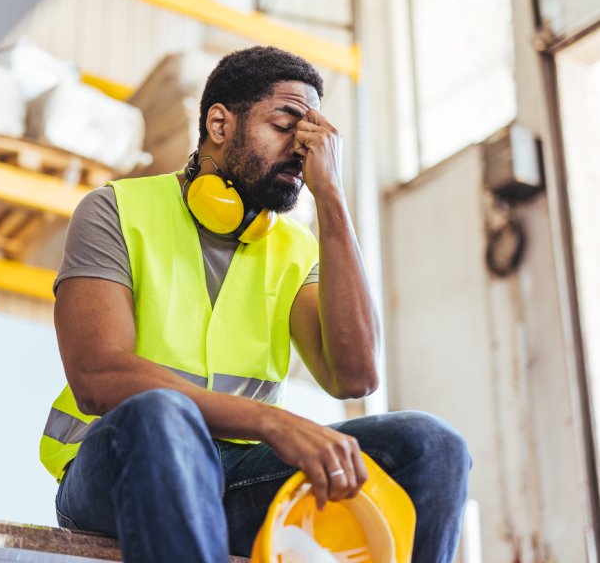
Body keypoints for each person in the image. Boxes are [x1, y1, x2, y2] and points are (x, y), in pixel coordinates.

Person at [39, 46, 471, 562]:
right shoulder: (115, 210)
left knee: (432, 445)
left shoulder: (296, 247)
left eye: (312, 135)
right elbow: (98, 377)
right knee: (160, 413)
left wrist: (331, 198)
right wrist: (271, 422)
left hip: (240, 479)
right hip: (121, 467)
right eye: (285, 123)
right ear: (219, 123)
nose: (301, 149)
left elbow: (353, 377)